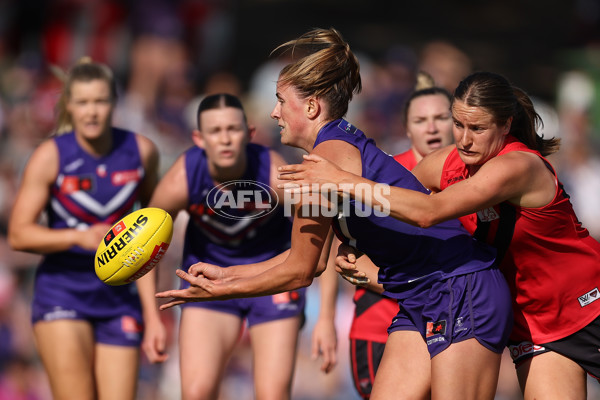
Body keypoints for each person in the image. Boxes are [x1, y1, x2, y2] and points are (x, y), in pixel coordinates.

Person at [156, 28, 513, 400]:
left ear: (311, 107)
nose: (274, 112)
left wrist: (220, 290)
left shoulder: (325, 161)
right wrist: (227, 273)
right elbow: (307, 261)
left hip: (460, 288)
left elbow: (299, 272)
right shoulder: (323, 158)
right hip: (422, 295)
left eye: (280, 101)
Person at [278, 71, 600, 400]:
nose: (464, 139)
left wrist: (340, 179)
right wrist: (354, 239)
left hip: (588, 308)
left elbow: (426, 212)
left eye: (477, 128)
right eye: (458, 125)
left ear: (505, 125)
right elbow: (391, 208)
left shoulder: (518, 166)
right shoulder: (446, 164)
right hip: (534, 326)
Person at [7, 58, 167, 400]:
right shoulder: (50, 156)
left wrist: (153, 318)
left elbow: (151, 242)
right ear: (68, 105)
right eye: (82, 102)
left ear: (114, 102)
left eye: (100, 101)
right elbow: (19, 234)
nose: (91, 112)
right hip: (62, 295)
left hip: (119, 299)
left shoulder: (142, 153)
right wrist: (79, 237)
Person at [148, 93, 308, 400]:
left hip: (271, 280)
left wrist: (325, 316)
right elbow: (143, 246)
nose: (225, 140)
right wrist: (152, 317)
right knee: (196, 393)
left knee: (272, 394)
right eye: (215, 131)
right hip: (208, 283)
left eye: (233, 130)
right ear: (198, 138)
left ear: (249, 134)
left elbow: (319, 231)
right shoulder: (182, 177)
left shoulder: (273, 173)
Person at [312, 79, 454, 398]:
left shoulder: (472, 180)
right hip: (379, 323)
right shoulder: (383, 172)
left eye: (441, 118)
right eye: (420, 120)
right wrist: (326, 318)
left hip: (446, 316)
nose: (431, 128)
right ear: (407, 129)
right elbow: (340, 245)